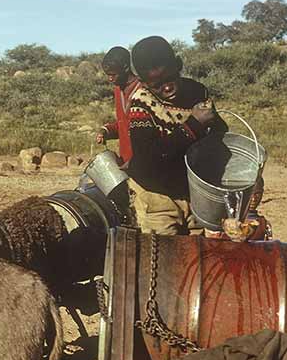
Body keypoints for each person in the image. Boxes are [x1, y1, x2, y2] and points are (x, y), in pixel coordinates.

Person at [126, 36, 228, 235]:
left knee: (198, 250)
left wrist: (214, 124)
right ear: (144, 83)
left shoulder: (197, 92)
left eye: (170, 78)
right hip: (157, 195)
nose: (167, 88)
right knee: (161, 251)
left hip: (193, 192)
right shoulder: (141, 104)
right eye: (157, 85)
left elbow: (218, 134)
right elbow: (149, 158)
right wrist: (193, 125)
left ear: (178, 65)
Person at [95, 46, 141, 164]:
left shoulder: (143, 89)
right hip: (126, 162)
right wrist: (106, 131)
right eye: (108, 75)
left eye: (113, 74)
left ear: (125, 68)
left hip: (143, 162)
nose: (110, 79)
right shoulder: (118, 90)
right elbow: (123, 125)